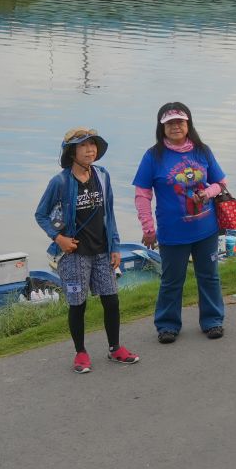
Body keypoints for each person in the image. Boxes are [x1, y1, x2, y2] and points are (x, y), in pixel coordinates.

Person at [34, 128, 140, 373]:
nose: (90, 149)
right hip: (74, 255)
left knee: (111, 300)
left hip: (102, 251)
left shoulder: (102, 175)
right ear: (72, 152)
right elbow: (41, 214)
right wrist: (59, 238)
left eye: (92, 144)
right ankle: (80, 353)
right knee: (77, 305)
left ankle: (115, 348)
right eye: (83, 145)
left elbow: (109, 214)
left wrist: (115, 246)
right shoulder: (60, 182)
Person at [134, 103, 229, 343]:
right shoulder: (153, 156)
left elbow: (221, 183)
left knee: (209, 276)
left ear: (188, 124)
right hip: (172, 232)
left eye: (180, 121)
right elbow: (142, 194)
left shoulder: (202, 151)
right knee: (171, 280)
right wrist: (148, 228)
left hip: (206, 229)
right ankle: (167, 325)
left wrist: (208, 193)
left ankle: (213, 320)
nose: (175, 126)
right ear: (162, 127)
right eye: (169, 123)